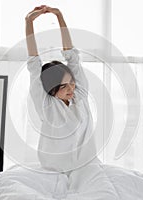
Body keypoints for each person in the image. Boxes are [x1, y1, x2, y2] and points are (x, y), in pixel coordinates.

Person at [25, 5, 98, 173]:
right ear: (51, 89)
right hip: (53, 170)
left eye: (71, 82)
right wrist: (29, 22)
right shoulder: (46, 104)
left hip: (87, 168)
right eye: (63, 86)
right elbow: (33, 63)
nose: (71, 88)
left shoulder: (80, 95)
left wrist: (59, 16)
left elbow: (72, 55)